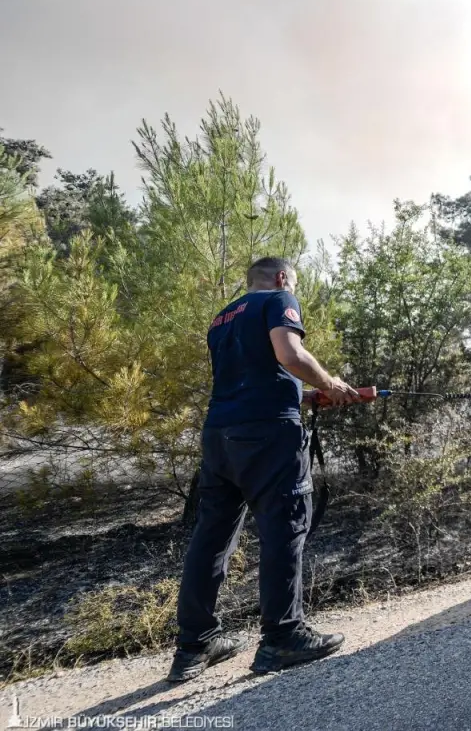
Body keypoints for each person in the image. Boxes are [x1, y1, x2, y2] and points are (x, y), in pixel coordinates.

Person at [168, 257, 361, 683]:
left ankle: (193, 646)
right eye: (292, 282)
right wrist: (331, 384)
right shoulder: (279, 298)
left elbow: (255, 378)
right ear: (280, 277)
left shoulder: (222, 318)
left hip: (220, 437)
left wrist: (306, 397)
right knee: (284, 528)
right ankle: (283, 638)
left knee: (212, 537)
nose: (294, 290)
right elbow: (289, 354)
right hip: (268, 440)